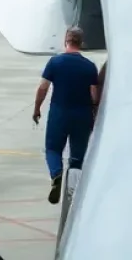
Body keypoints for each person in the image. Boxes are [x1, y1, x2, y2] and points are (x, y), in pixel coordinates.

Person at [33, 26, 99, 203]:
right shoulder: (90, 67)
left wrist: (37, 108)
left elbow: (43, 88)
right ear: (81, 43)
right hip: (82, 114)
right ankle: (73, 193)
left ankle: (56, 173)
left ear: (66, 40)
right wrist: (94, 114)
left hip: (59, 112)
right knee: (77, 157)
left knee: (53, 149)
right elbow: (94, 95)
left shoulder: (55, 63)